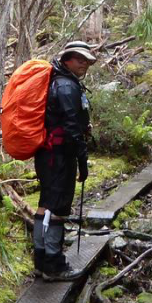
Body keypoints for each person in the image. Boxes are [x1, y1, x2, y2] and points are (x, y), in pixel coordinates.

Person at [32, 41, 96, 280]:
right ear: (67, 59)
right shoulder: (66, 86)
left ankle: (41, 260)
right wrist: (82, 158)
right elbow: (71, 125)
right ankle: (54, 265)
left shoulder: (58, 82)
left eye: (87, 61)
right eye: (80, 60)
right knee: (57, 207)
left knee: (47, 202)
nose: (85, 65)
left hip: (48, 154)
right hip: (59, 155)